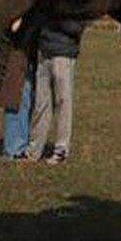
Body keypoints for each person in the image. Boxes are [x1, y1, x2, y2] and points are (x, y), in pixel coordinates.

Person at [27, 17, 85, 163]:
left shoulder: (74, 4)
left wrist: (52, 24)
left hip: (63, 54)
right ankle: (34, 150)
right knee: (41, 103)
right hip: (44, 52)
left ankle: (61, 150)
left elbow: (76, 27)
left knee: (63, 101)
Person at [0, 47, 34, 160]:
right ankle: (14, 147)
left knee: (26, 97)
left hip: (31, 51)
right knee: (16, 98)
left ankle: (18, 144)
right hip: (20, 49)